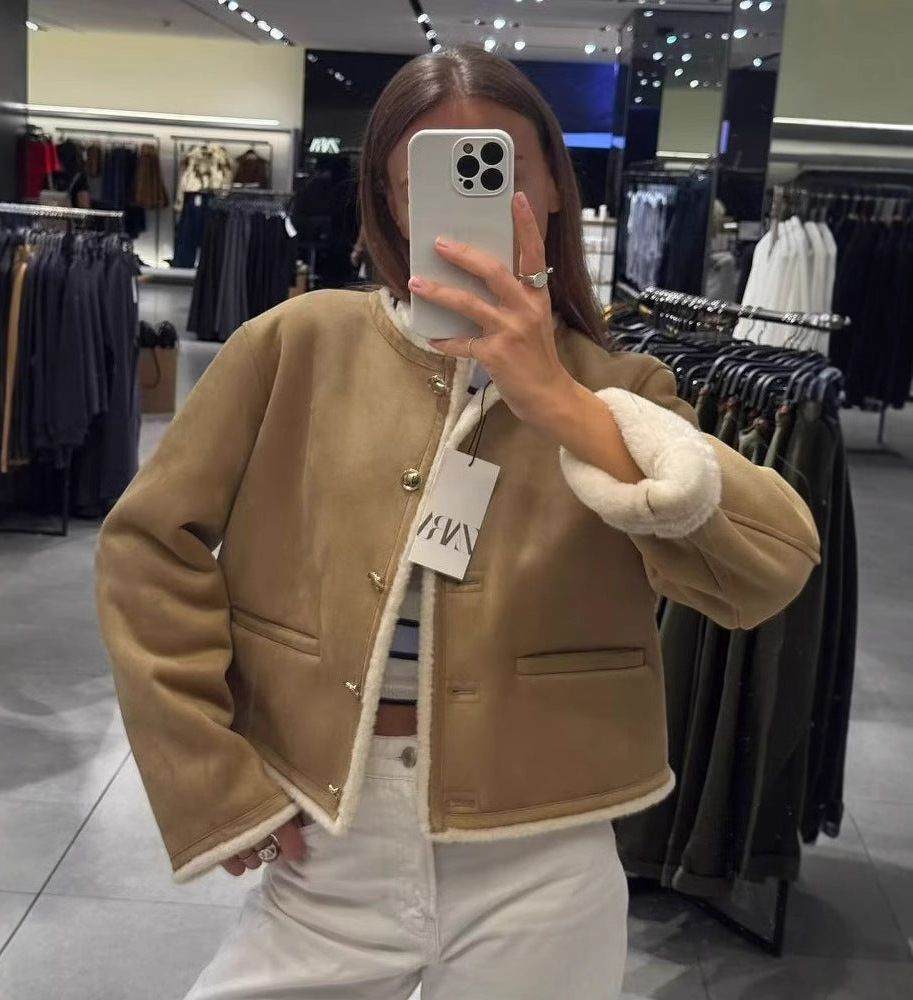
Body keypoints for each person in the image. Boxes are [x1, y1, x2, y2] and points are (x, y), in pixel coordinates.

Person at [95, 46, 819, 1000]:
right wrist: (210, 775)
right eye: (427, 179)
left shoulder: (622, 388)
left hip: (545, 848)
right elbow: (147, 547)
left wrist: (562, 402)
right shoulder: (295, 344)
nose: (478, 198)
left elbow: (771, 568)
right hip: (327, 833)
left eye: (503, 169)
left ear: (553, 189)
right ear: (395, 204)